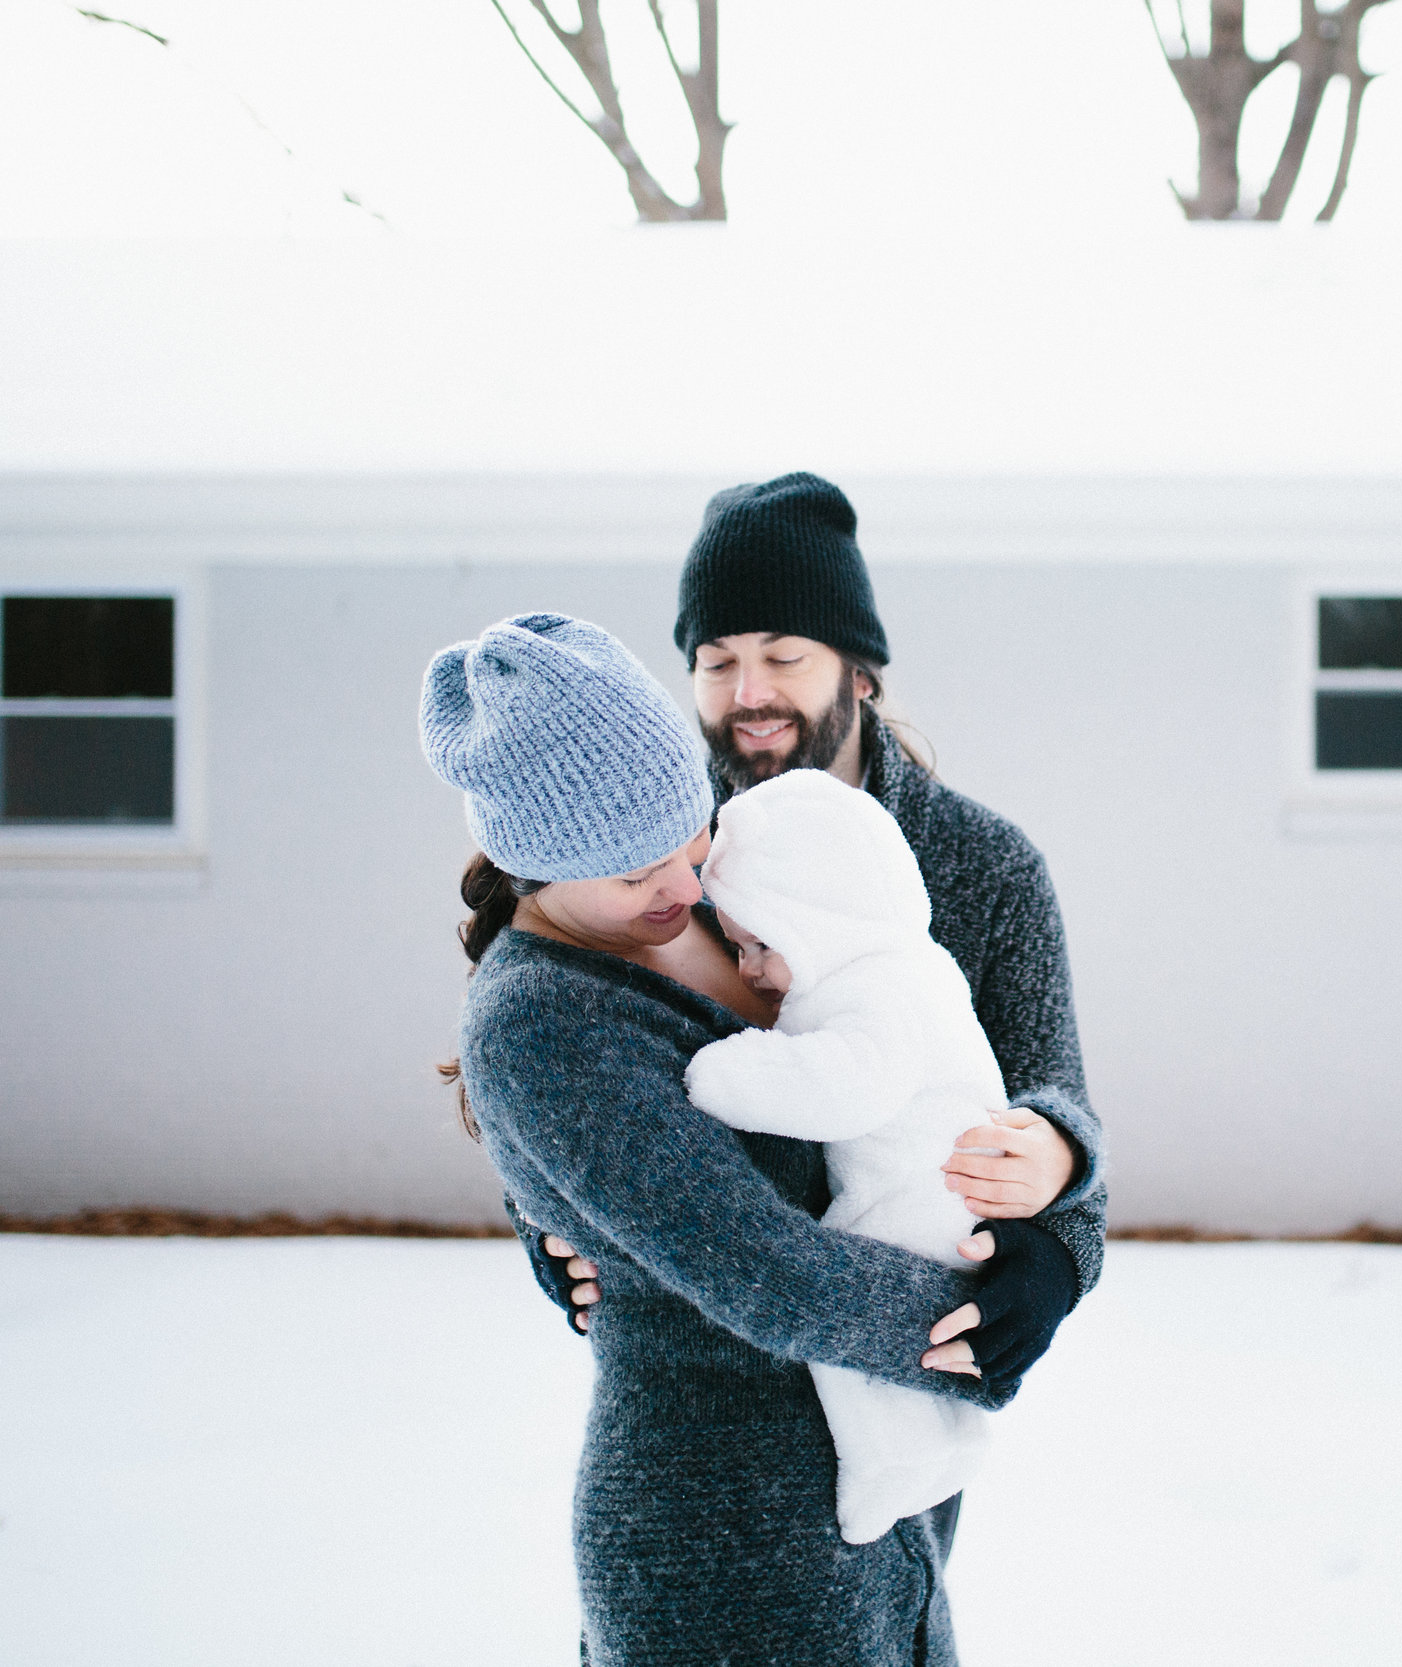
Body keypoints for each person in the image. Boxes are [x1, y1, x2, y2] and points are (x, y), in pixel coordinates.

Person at [421, 612, 1076, 1665]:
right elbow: (761, 1271)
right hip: (732, 1541)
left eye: (692, 845)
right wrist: (972, 1326)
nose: (685, 892)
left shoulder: (731, 886)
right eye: (639, 876)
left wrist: (1048, 1231)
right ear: (530, 864)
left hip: (873, 1495)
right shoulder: (542, 1021)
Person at [521, 471, 1106, 1347]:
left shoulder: (987, 865)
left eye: (784, 655)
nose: (749, 693)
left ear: (860, 673)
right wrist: (543, 1212)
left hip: (907, 1326)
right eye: (717, 662)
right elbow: (561, 1041)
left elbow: (1052, 1088)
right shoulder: (662, 858)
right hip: (706, 1358)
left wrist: (1057, 1224)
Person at [685, 767, 1011, 1545]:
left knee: (839, 1328)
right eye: (737, 947)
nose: (750, 969)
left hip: (922, 1196)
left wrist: (725, 1073)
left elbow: (844, 1088)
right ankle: (944, 1440)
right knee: (914, 1343)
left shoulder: (876, 990)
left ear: (817, 916)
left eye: (761, 942)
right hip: (943, 1195)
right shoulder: (908, 966)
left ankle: (887, 1464)